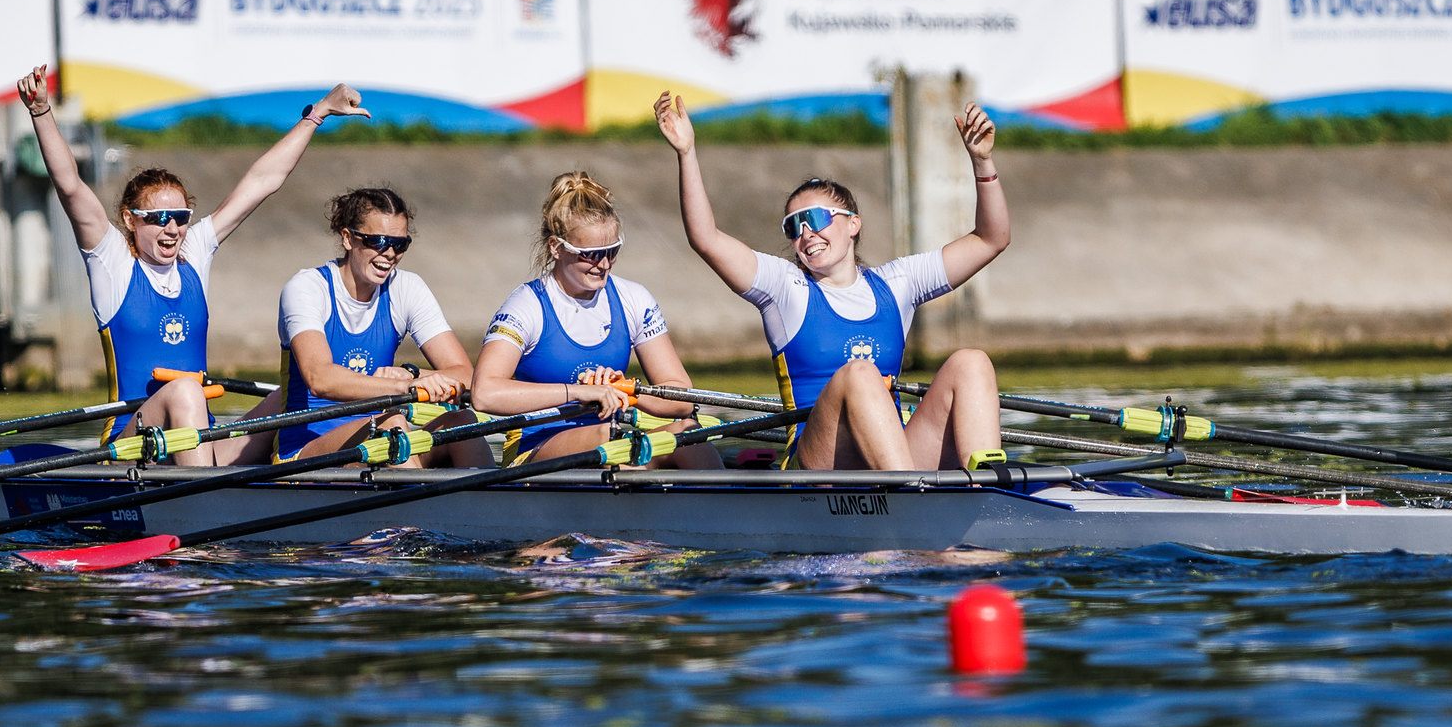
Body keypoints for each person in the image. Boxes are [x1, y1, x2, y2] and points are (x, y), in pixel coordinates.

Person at [17, 65, 369, 464]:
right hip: (131, 446)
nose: (172, 229)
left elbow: (263, 180)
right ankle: (208, 494)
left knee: (293, 392)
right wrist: (41, 112)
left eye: (181, 217)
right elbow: (70, 186)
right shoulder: (111, 261)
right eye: (157, 219)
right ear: (130, 220)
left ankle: (313, 472)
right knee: (185, 390)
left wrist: (318, 113)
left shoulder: (195, 251)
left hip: (201, 439)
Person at [653, 89, 1009, 471]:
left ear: (853, 223)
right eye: (794, 227)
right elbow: (706, 239)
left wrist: (982, 160)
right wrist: (687, 152)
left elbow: (991, 239)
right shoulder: (785, 288)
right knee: (860, 374)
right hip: (816, 464)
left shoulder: (898, 283)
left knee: (971, 362)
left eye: (817, 218)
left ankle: (987, 485)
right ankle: (908, 490)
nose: (806, 233)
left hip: (892, 455)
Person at [471, 171, 722, 469]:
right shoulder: (527, 305)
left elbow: (682, 399)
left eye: (611, 251)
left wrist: (627, 390)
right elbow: (484, 394)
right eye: (590, 254)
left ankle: (726, 499)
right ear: (556, 247)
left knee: (688, 432)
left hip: (613, 442)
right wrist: (580, 392)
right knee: (609, 438)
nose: (603, 264)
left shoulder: (633, 299)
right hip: (533, 451)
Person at [275, 187, 493, 467]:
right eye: (378, 241)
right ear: (348, 238)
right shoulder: (307, 288)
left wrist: (414, 373)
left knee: (462, 422)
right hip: (305, 452)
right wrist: (405, 386)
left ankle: (485, 496)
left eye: (400, 244)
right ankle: (419, 493)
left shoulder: (406, 288)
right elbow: (320, 379)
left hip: (385, 438)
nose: (389, 253)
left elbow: (465, 375)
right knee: (392, 425)